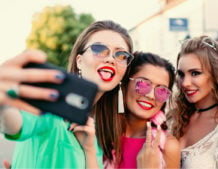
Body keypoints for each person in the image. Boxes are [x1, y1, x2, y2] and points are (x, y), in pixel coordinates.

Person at [0, 20, 134, 168]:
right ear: (79, 61)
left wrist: (88, 149)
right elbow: (15, 123)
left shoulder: (100, 132)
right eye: (99, 49)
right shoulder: (50, 103)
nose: (110, 59)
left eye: (121, 55)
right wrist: (3, 104)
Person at [168, 36, 218, 169]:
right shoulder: (174, 118)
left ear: (217, 75)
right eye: (181, 74)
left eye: (195, 73)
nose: (185, 83)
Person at [102, 51, 181, 168]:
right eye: (143, 84)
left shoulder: (168, 147)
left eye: (162, 90)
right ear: (124, 84)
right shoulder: (100, 132)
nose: (151, 96)